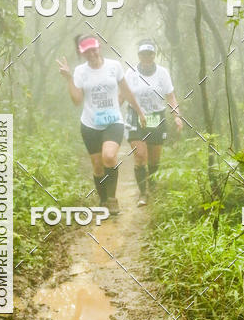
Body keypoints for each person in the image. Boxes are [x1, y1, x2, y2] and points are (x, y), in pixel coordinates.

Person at [57, 34, 146, 215]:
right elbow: (77, 100)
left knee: (109, 156)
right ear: (82, 53)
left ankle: (112, 200)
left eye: (94, 49)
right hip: (90, 125)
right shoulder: (81, 72)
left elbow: (126, 91)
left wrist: (139, 111)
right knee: (97, 166)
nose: (92, 53)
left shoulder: (114, 67)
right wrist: (68, 78)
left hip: (113, 121)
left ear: (99, 47)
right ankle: (103, 199)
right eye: (87, 51)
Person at [124, 39, 182, 206]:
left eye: (150, 54)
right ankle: (143, 194)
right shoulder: (131, 73)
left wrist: (176, 115)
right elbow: (124, 95)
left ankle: (153, 186)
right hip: (135, 116)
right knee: (140, 156)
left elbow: (170, 96)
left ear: (154, 55)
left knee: (154, 159)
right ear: (139, 55)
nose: (147, 57)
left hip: (156, 116)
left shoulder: (162, 73)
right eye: (143, 54)